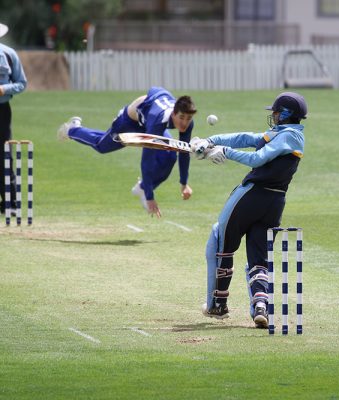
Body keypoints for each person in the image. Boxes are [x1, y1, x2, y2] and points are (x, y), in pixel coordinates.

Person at [190, 92, 307, 328]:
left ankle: (217, 305)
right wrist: (211, 141)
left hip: (252, 196)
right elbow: (245, 137)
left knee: (220, 241)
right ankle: (260, 307)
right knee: (258, 257)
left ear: (286, 114)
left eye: (276, 112)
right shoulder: (284, 134)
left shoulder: (290, 137)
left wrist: (225, 152)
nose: (273, 115)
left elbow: (258, 159)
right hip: (274, 204)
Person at [57, 86, 196, 217]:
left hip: (148, 121)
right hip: (129, 122)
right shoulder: (157, 123)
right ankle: (72, 129)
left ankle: (141, 187)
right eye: (181, 118)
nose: (184, 123)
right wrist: (149, 196)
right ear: (173, 114)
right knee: (101, 146)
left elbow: (183, 151)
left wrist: (184, 184)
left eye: (188, 118)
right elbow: (147, 160)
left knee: (170, 156)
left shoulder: (187, 123)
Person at [0, 23, 27, 215]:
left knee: (4, 155)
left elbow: (21, 83)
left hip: (2, 109)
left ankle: (10, 203)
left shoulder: (9, 54)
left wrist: (4, 89)